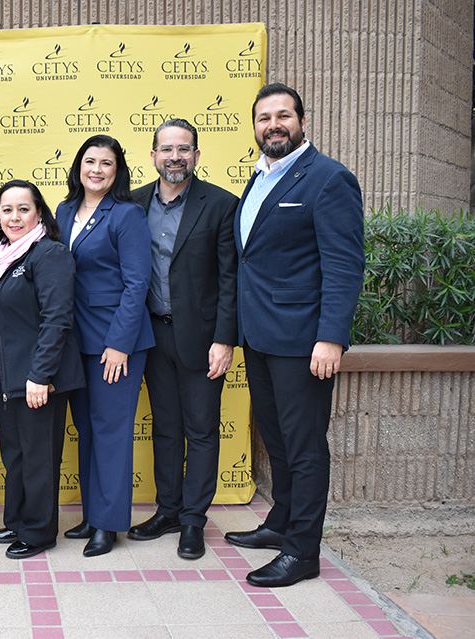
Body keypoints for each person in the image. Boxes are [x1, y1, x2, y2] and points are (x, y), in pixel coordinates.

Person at [225, 83, 364, 587]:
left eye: (283, 116)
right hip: (259, 337)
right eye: (264, 118)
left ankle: (303, 552)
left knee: (305, 448)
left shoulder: (328, 179)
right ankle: (281, 522)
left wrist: (331, 337)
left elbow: (344, 265)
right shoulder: (259, 178)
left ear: (302, 121)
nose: (273, 125)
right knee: (278, 441)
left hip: (304, 341)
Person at [127, 119, 239, 560]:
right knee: (165, 427)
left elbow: (230, 279)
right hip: (151, 335)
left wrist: (225, 339)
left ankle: (193, 520)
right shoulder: (133, 203)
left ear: (196, 155)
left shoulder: (222, 204)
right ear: (153, 155)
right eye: (167, 149)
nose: (175, 157)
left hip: (202, 338)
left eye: (184, 149)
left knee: (202, 430)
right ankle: (169, 511)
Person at [55, 134, 154, 557]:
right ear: (78, 166)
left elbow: (137, 283)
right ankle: (92, 514)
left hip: (115, 341)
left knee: (110, 431)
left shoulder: (127, 214)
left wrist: (119, 344)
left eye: (106, 163)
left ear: (118, 171)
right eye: (90, 161)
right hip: (74, 339)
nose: (96, 170)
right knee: (87, 430)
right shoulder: (63, 210)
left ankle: (109, 525)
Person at [0, 180, 84, 559]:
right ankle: (18, 520)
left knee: (38, 457)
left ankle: (39, 532)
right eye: (7, 210)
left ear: (39, 212)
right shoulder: (3, 258)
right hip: (10, 376)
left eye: (23, 209)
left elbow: (57, 319)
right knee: (16, 455)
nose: (15, 217)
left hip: (40, 379)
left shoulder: (49, 253)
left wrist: (41, 376)